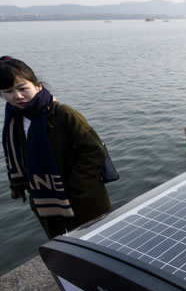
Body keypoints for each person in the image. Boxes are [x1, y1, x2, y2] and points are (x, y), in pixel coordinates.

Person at [1, 56, 111, 239]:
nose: (17, 96)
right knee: (62, 246)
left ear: (37, 85)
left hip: (82, 198)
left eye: (22, 88)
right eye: (8, 91)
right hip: (43, 199)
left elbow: (94, 151)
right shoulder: (14, 120)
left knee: (97, 242)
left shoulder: (63, 113)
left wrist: (73, 188)